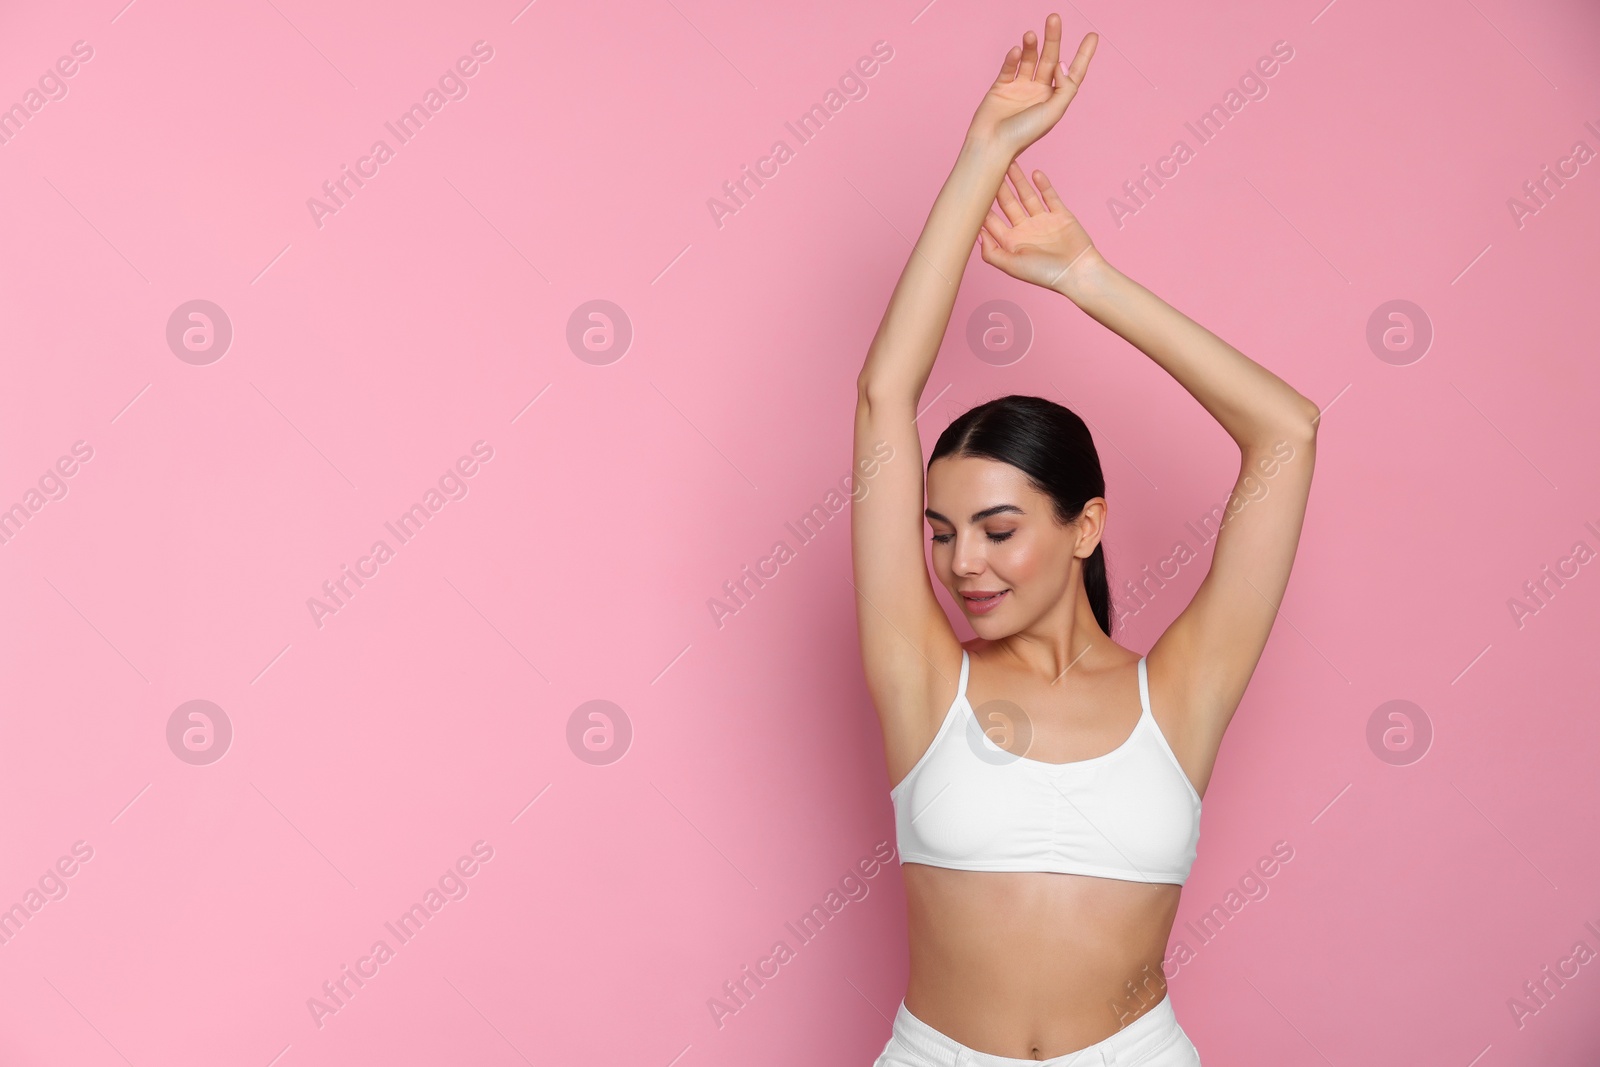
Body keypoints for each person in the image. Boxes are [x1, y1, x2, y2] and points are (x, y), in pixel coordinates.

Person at [852, 15, 1319, 1066]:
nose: (960, 561)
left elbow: (1286, 434)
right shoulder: (921, 679)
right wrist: (986, 151)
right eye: (940, 532)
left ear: (1086, 526)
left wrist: (1084, 278)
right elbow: (885, 393)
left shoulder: (1180, 690)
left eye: (999, 527)